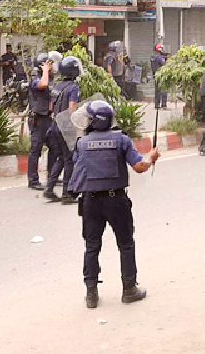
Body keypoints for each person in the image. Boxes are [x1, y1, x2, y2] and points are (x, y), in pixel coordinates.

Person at [69, 100, 160, 309]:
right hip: (116, 200)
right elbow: (139, 166)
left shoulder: (82, 142)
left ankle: (91, 293)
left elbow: (76, 164)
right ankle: (129, 290)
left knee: (92, 246)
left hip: (90, 202)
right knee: (126, 244)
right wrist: (152, 157)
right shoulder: (121, 140)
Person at [43, 56, 81, 203]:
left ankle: (49, 188)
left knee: (59, 157)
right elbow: (72, 109)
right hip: (65, 127)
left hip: (54, 125)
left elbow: (51, 107)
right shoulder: (73, 87)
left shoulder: (57, 86)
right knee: (69, 160)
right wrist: (77, 127)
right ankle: (66, 194)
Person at [27, 53, 55, 191]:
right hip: (37, 119)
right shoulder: (35, 79)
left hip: (48, 118)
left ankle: (52, 176)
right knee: (35, 150)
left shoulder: (50, 78)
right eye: (49, 64)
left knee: (54, 148)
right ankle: (33, 180)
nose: (51, 67)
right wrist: (45, 71)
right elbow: (43, 84)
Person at [150, 44, 168, 109]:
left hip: (155, 75)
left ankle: (157, 104)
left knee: (157, 90)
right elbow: (164, 65)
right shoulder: (160, 57)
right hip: (161, 75)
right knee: (164, 89)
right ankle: (163, 104)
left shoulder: (153, 57)